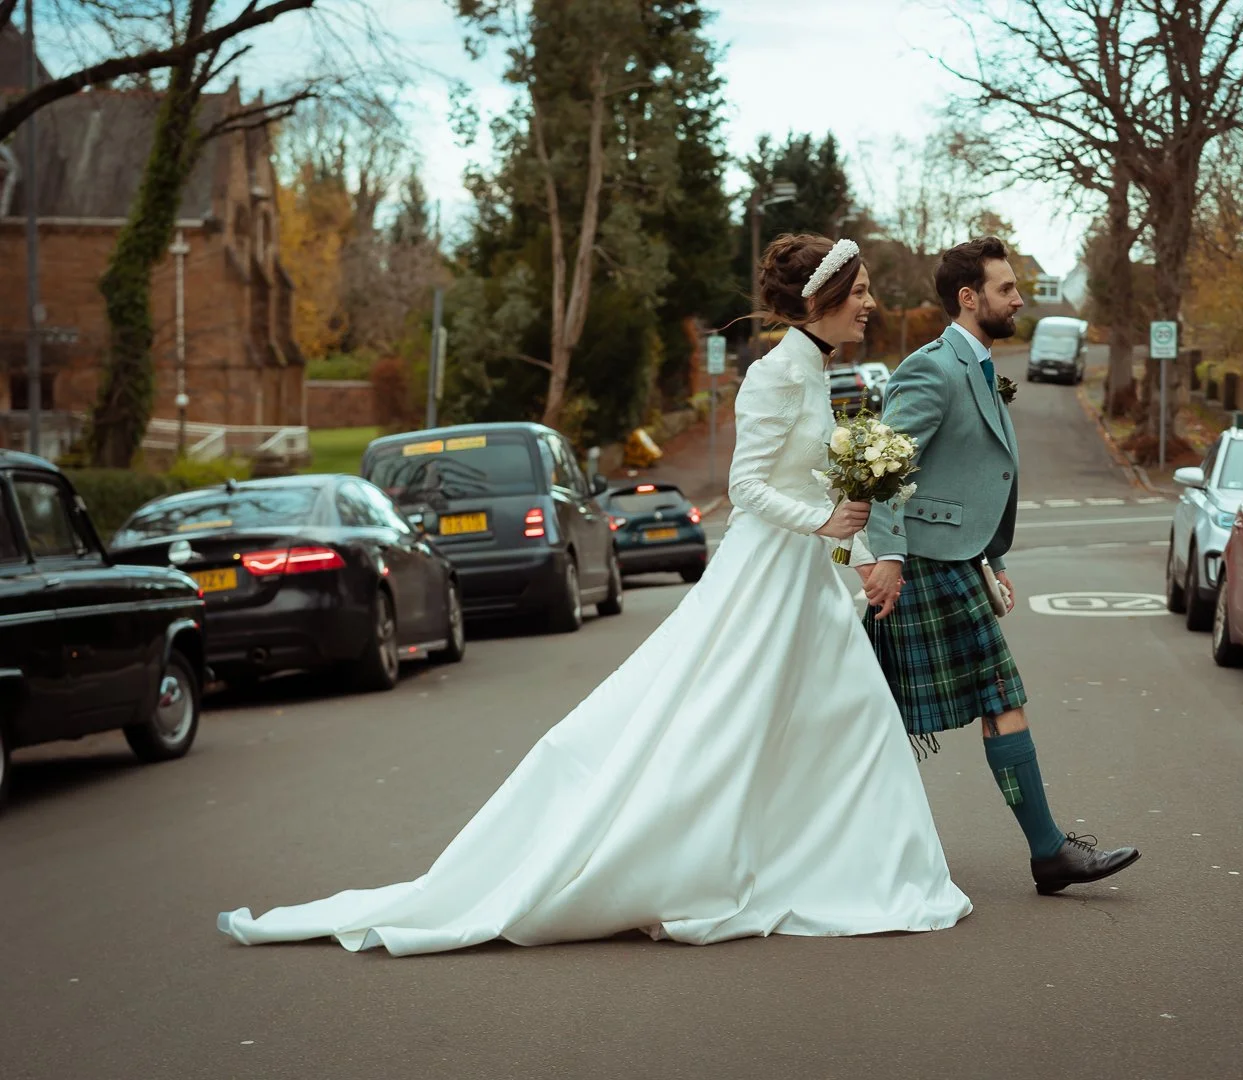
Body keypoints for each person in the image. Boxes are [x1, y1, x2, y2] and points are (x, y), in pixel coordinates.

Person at [216, 235, 971, 955]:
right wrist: (825, 521)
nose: (871, 303)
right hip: (766, 581)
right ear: (824, 298)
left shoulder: (811, 368)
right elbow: (746, 489)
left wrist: (864, 551)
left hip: (802, 579)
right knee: (727, 729)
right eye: (862, 291)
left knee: (845, 720)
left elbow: (814, 483)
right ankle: (709, 863)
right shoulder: (776, 373)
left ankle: (864, 867)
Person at [858, 236, 1142, 895]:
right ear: (969, 297)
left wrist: (993, 556)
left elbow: (969, 475)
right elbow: (884, 470)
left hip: (958, 560)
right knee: (972, 703)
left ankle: (1045, 851)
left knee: (918, 709)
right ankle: (1046, 852)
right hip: (926, 565)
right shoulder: (932, 369)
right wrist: (891, 557)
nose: (1019, 298)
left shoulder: (980, 365)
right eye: (1007, 288)